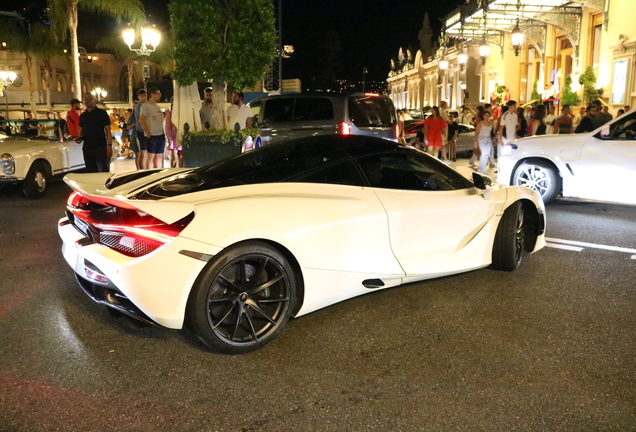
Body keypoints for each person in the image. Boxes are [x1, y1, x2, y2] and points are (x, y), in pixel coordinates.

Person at [77, 93, 112, 173]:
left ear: (94, 100)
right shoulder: (83, 115)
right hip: (87, 147)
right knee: (90, 171)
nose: (87, 100)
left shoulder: (102, 113)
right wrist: (79, 138)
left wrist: (109, 146)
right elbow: (81, 130)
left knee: (103, 170)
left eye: (90, 98)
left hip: (100, 146)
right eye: (85, 98)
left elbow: (108, 130)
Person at [140, 87, 165, 169]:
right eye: (158, 93)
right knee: (151, 156)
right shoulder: (145, 106)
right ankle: (149, 173)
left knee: (159, 156)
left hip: (160, 134)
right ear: (152, 94)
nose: (160, 95)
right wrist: (147, 132)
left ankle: (159, 172)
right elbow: (141, 119)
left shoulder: (157, 107)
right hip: (152, 135)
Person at [164, 97, 182, 168]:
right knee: (174, 157)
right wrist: (169, 137)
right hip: (173, 137)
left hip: (181, 135)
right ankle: (173, 171)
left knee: (181, 156)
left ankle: (181, 172)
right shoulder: (170, 113)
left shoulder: (182, 113)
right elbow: (168, 126)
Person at [134, 89, 148, 169]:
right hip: (142, 132)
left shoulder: (144, 105)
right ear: (138, 97)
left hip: (144, 131)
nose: (143, 97)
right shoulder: (139, 107)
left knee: (145, 153)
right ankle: (142, 171)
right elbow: (141, 120)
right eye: (141, 96)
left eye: (145, 95)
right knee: (143, 152)